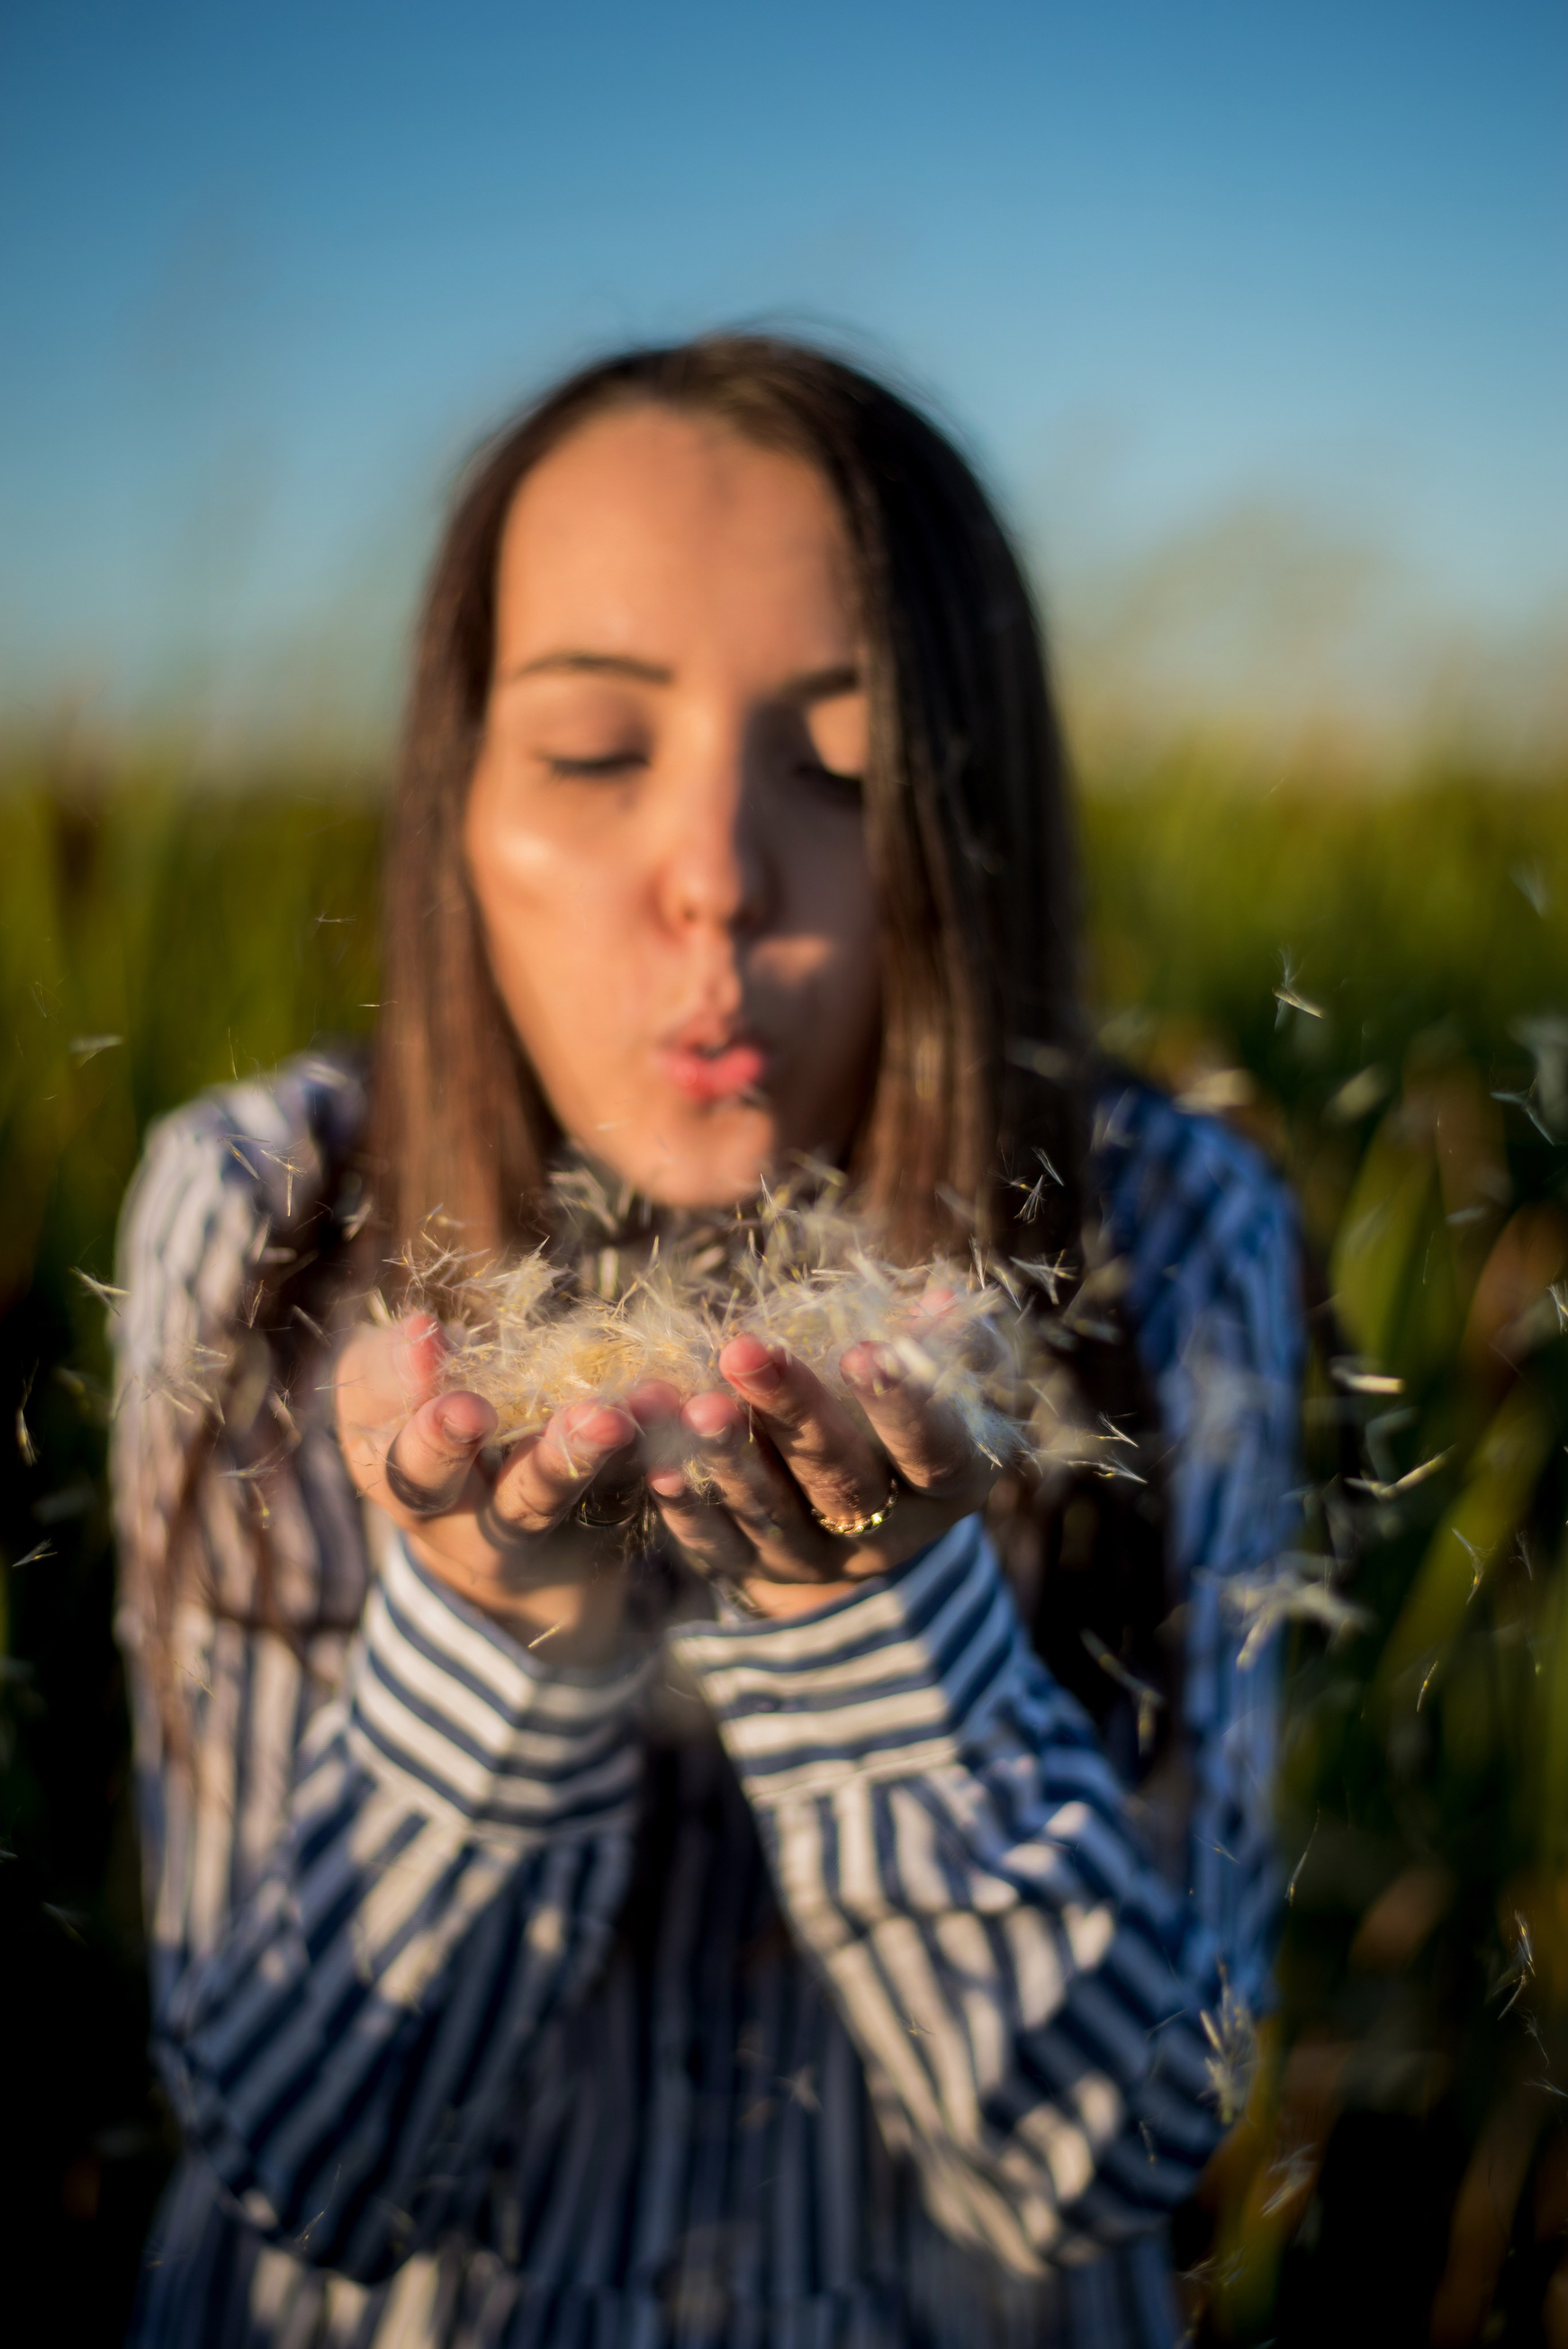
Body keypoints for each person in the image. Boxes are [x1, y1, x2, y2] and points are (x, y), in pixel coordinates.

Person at [111, 336, 1302, 2348]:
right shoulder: (267, 1215)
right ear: (458, 803)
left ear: (971, 819)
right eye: (593, 752)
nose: (720, 882)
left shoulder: (1162, 1234)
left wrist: (879, 1627)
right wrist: (503, 1643)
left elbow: (1114, 2160)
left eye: (840, 770)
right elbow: (302, 2164)